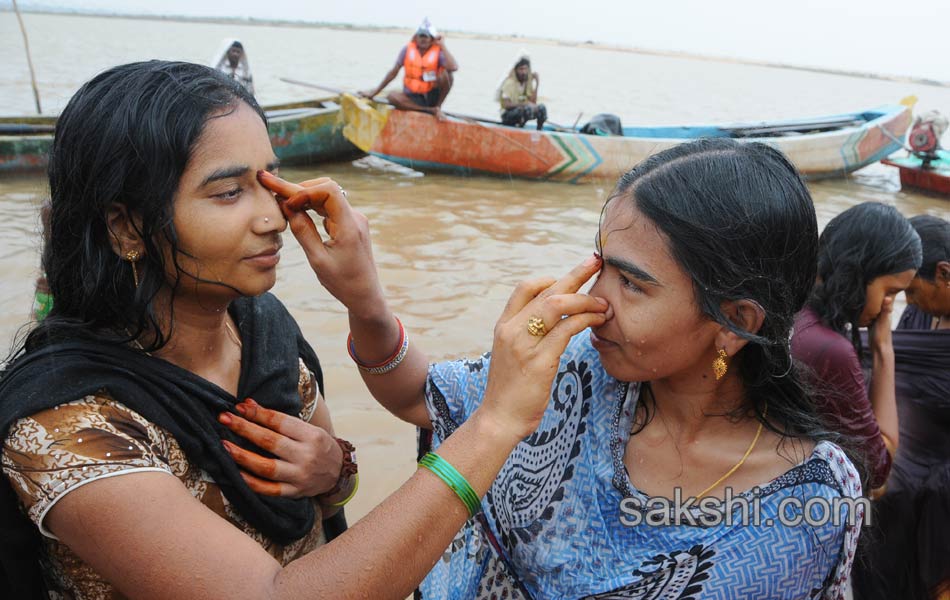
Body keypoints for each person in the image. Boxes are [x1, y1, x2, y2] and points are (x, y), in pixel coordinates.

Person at [0, 60, 607, 599]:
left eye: (269, 180)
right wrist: (495, 424)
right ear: (127, 229)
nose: (272, 216)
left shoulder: (261, 331)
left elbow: (329, 495)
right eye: (229, 192)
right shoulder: (68, 425)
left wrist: (335, 472)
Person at [268, 138, 865, 598]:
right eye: (602, 262)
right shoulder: (580, 372)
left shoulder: (806, 507)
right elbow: (414, 396)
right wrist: (363, 296)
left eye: (633, 284)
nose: (596, 301)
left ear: (737, 321)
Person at [791, 202, 922, 495]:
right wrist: (883, 351)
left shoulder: (787, 306)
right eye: (889, 292)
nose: (889, 305)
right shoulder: (829, 349)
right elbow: (877, 468)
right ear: (860, 271)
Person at [853, 214, 950, 600]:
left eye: (910, 291)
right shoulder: (923, 314)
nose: (903, 302)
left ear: (944, 273)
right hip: (913, 449)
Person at [359, 19, 458, 121]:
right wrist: (374, 92)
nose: (423, 39)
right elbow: (393, 72)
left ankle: (438, 107)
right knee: (392, 96)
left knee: (447, 74)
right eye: (421, 36)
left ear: (432, 39)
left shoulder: (438, 52)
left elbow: (453, 67)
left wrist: (442, 45)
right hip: (413, 96)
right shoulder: (407, 50)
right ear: (416, 37)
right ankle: (430, 110)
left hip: (431, 95)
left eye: (426, 36)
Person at [497, 56, 546, 130]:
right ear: (516, 70)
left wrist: (537, 84)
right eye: (521, 69)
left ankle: (539, 132)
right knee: (526, 109)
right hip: (508, 114)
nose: (523, 72)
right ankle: (519, 130)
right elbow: (506, 105)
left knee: (542, 108)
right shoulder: (509, 83)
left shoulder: (527, 83)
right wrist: (524, 104)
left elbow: (533, 103)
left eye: (525, 69)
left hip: (522, 112)